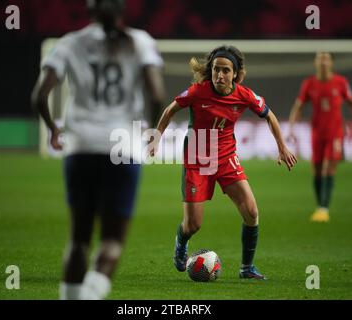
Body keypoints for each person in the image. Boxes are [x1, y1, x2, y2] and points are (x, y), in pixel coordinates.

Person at [31, 0, 165, 299]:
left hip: (81, 146)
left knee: (78, 240)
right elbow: (156, 94)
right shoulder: (139, 42)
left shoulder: (70, 43)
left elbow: (39, 96)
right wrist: (151, 129)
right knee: (112, 241)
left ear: (89, 11)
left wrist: (53, 128)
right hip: (122, 147)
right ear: (122, 11)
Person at [149, 45, 297, 280]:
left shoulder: (244, 95)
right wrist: (156, 137)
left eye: (226, 70)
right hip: (197, 159)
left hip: (227, 157)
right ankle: (181, 242)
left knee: (251, 211)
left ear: (235, 74)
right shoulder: (198, 91)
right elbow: (170, 109)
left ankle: (247, 268)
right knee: (193, 225)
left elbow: (269, 115)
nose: (220, 75)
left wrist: (282, 147)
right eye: (216, 69)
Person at [289, 52, 352, 222]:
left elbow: (350, 102)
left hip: (335, 133)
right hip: (317, 133)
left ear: (331, 63)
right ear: (316, 63)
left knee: (328, 168)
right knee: (316, 169)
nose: (323, 62)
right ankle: (320, 206)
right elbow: (298, 106)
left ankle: (324, 208)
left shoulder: (340, 82)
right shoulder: (309, 83)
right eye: (320, 59)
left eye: (326, 59)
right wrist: (291, 128)